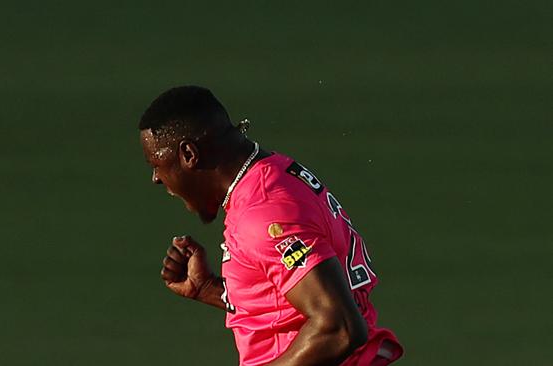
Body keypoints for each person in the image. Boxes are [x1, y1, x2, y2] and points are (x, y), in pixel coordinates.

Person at [139, 86, 403, 365]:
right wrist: (208, 288)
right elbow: (292, 304)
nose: (156, 178)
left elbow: (339, 328)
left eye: (156, 163)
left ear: (189, 154)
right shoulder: (273, 175)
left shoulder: (263, 213)